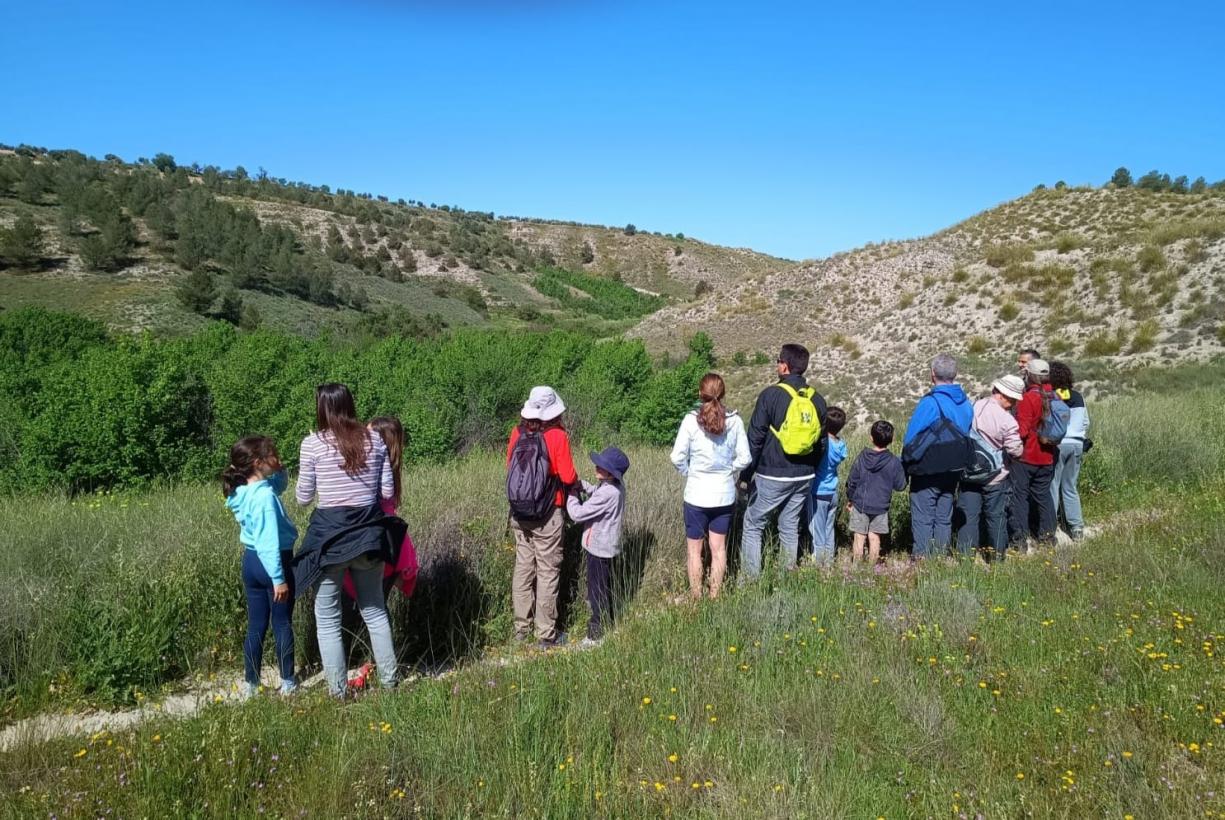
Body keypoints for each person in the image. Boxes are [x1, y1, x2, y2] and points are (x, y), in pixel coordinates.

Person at [294, 383, 403, 697]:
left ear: (322, 408)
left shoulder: (312, 444)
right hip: (369, 534)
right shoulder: (376, 441)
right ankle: (390, 683)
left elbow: (303, 498)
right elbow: (385, 493)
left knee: (327, 618)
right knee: (375, 610)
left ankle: (338, 692)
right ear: (350, 405)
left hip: (330, 540)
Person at [739, 344, 828, 580]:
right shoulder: (817, 399)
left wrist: (746, 475)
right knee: (789, 526)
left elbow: (755, 439)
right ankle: (786, 577)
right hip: (804, 475)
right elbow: (821, 444)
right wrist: (812, 469)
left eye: (778, 361)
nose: (777, 364)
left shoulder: (770, 395)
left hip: (772, 473)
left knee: (753, 524)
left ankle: (750, 581)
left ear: (785, 366)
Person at [223, 436, 299, 697]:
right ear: (258, 462)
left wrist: (280, 468)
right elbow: (269, 541)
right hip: (273, 562)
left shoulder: (242, 490)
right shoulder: (264, 497)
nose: (277, 458)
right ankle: (288, 681)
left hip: (251, 562)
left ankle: (251, 684)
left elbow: (279, 485)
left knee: (256, 625)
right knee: (281, 623)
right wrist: (279, 578)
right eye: (273, 455)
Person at [506, 386, 578, 648]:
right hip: (548, 513)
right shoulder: (557, 436)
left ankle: (520, 630)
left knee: (523, 567)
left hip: (520, 513)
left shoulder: (517, 432)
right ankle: (545, 634)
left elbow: (509, 467)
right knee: (548, 571)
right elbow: (568, 476)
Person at [669, 372, 752, 600]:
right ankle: (715, 596)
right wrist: (728, 470)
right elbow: (745, 458)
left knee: (694, 551)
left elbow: (677, 457)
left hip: (696, 495)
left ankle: (697, 597)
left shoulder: (691, 420)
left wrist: (690, 473)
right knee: (719, 549)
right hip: (723, 495)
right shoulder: (734, 421)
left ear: (700, 393)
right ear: (723, 393)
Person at [902, 353, 972, 558]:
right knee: (944, 514)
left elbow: (911, 440)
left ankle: (922, 559)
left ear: (932, 374)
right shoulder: (965, 403)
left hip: (928, 469)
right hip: (954, 468)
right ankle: (940, 557)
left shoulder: (931, 403)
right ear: (955, 374)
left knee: (923, 515)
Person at [565, 447, 629, 647]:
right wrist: (582, 485)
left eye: (602, 466)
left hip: (599, 548)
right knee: (601, 587)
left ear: (610, 473)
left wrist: (571, 495)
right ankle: (605, 623)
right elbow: (597, 491)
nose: (597, 466)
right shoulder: (614, 486)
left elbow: (577, 514)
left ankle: (595, 635)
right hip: (605, 546)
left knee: (597, 591)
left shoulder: (608, 492)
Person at [955, 376, 1024, 560]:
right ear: (1004, 396)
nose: (1014, 403)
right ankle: (997, 558)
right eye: (1013, 399)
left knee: (968, 517)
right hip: (996, 476)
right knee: (996, 517)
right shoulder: (1007, 420)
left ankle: (965, 558)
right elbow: (1015, 450)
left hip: (968, 472)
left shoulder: (973, 407)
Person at [1009, 359, 1058, 548]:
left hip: (1027, 456)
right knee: (1044, 495)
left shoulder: (1028, 398)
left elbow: (1022, 430)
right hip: (1047, 456)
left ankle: (1020, 539)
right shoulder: (1055, 396)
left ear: (1030, 375)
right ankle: (1047, 537)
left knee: (1019, 496)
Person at [845, 421, 906, 565]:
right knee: (875, 537)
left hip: (861, 504)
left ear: (871, 438)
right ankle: (872, 569)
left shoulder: (862, 457)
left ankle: (856, 568)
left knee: (859, 537)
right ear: (891, 440)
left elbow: (852, 480)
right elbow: (900, 486)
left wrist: (850, 498)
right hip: (881, 506)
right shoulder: (893, 461)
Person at [1049, 362, 1090, 540]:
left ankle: (1051, 526)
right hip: (1077, 444)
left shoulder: (1052, 397)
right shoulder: (1078, 397)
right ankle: (1076, 527)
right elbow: (1086, 422)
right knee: (1070, 486)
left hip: (1059, 444)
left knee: (1053, 485)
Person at [808, 406, 848, 565]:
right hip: (833, 492)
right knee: (829, 530)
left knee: (817, 532)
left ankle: (819, 565)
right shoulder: (841, 445)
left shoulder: (823, 443)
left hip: (818, 491)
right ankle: (829, 563)